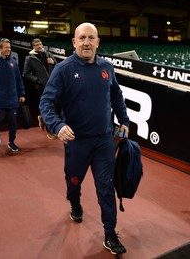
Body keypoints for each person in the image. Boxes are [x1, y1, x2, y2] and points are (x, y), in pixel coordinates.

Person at [39, 22, 130, 255]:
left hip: (103, 141)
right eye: (82, 38)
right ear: (74, 42)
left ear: (98, 42)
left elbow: (117, 97)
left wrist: (124, 121)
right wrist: (57, 125)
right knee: (73, 182)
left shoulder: (107, 68)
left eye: (91, 38)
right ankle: (75, 203)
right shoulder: (63, 69)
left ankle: (110, 233)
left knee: (106, 189)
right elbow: (46, 102)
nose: (86, 42)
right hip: (76, 142)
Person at [23, 38, 57, 139]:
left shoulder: (48, 54)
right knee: (47, 107)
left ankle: (43, 118)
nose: (39, 46)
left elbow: (57, 65)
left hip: (52, 85)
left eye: (40, 44)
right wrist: (37, 80)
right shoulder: (29, 58)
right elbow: (25, 74)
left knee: (54, 107)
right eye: (37, 45)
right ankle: (50, 131)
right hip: (41, 87)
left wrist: (53, 62)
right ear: (33, 47)